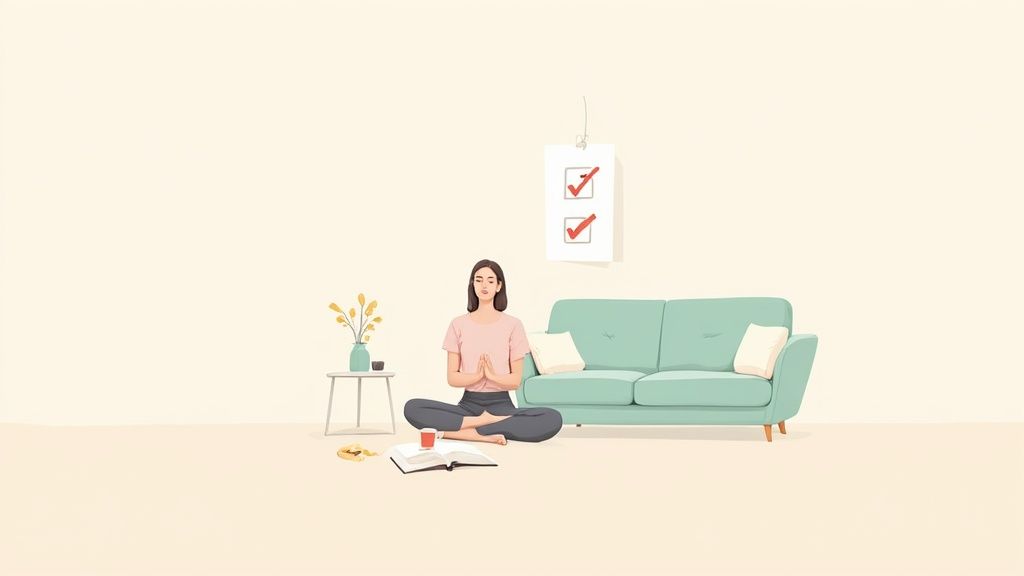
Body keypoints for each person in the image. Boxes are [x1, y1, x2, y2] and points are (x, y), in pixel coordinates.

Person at [404, 259, 563, 444]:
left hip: (502, 406)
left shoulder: (513, 324)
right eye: (478, 280)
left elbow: (515, 381)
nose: (484, 285)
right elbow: (452, 378)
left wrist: (492, 376)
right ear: (473, 284)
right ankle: (482, 425)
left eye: (490, 280)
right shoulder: (458, 324)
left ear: (499, 286)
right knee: (412, 407)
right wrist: (478, 376)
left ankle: (462, 432)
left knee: (552, 418)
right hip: (468, 406)